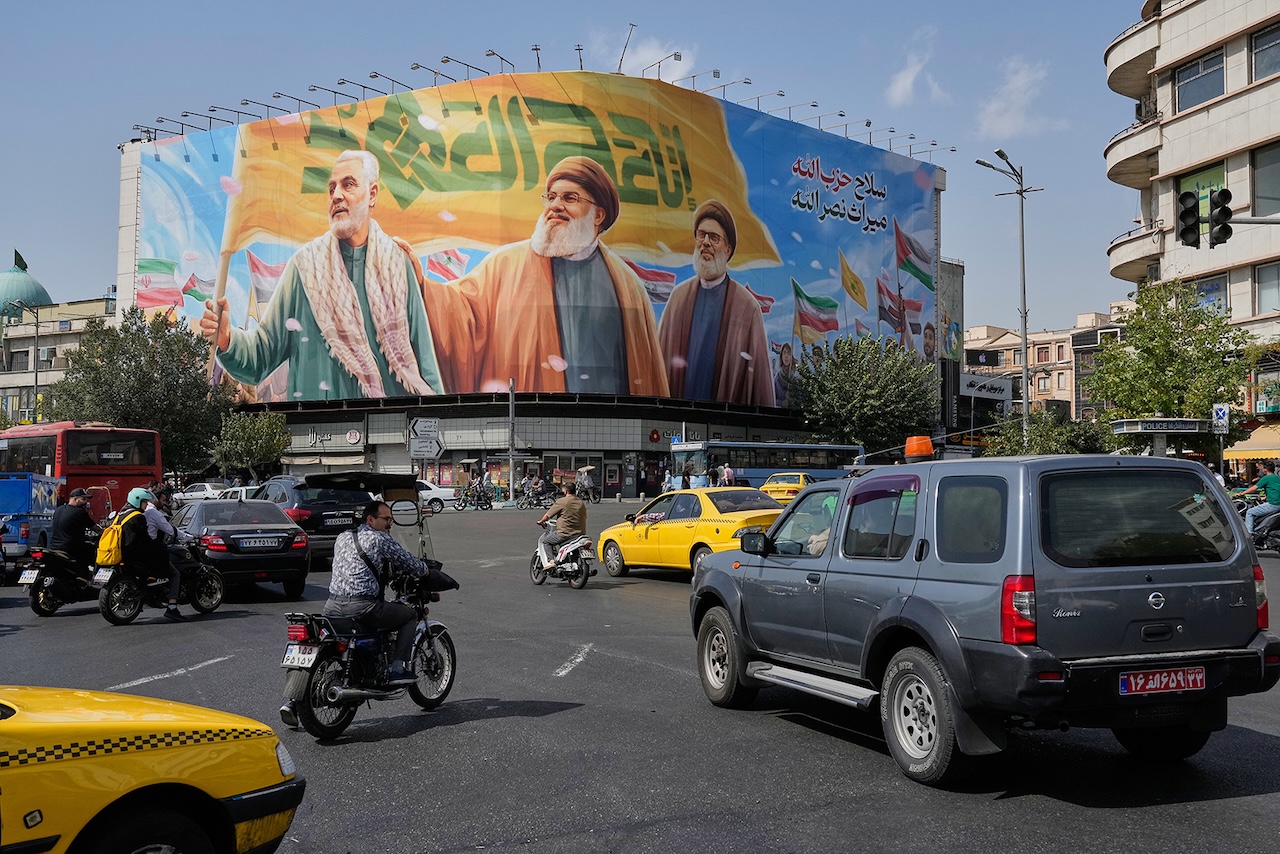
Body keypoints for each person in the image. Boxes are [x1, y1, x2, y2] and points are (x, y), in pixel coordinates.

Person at [411, 156, 669, 397]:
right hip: (525, 422)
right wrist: (416, 282)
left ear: (598, 215)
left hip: (611, 422)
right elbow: (459, 312)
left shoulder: (627, 285)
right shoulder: (505, 265)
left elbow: (647, 375)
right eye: (551, 197)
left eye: (569, 198)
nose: (555, 206)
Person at [200, 149, 443, 402]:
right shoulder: (304, 268)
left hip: (392, 425)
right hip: (317, 425)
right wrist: (227, 339)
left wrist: (442, 416)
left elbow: (426, 370)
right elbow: (260, 358)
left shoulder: (398, 265)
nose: (336, 195)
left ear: (372, 194)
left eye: (348, 184)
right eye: (331, 189)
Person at [657, 201, 774, 406]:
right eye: (701, 235)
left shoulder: (747, 308)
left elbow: (759, 385)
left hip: (724, 420)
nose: (705, 242)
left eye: (714, 238)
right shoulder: (678, 298)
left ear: (728, 250)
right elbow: (658, 369)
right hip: (677, 417)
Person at [323, 500, 443, 686]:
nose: (390, 524)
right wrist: (429, 572)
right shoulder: (379, 539)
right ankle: (398, 669)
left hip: (332, 606)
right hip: (362, 607)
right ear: (370, 520)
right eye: (386, 519)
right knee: (410, 615)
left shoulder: (343, 536)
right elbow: (411, 563)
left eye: (392, 520)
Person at [143, 486, 185, 621]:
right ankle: (172, 607)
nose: (165, 503)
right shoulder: (154, 513)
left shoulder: (139, 512)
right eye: (163, 500)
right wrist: (189, 537)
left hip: (139, 551)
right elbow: (171, 531)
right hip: (153, 552)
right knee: (175, 574)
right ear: (154, 499)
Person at [536, 482, 588, 571]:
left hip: (565, 533)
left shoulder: (562, 501)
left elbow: (548, 515)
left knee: (546, 541)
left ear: (566, 491)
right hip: (580, 533)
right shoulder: (580, 502)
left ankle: (551, 561)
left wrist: (541, 521)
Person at [49, 487, 97, 573]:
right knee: (93, 550)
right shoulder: (80, 512)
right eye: (83, 499)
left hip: (54, 548)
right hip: (71, 549)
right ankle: (87, 576)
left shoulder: (58, 510)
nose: (86, 502)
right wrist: (105, 532)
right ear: (75, 499)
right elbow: (95, 528)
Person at [1241, 460, 1280, 535]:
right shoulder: (1277, 478)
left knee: (1250, 512)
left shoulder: (1266, 478)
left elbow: (1254, 488)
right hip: (1277, 504)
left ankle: (1249, 535)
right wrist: (1264, 497)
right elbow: (1275, 490)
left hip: (1273, 504)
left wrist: (1241, 493)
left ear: (1265, 469)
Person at [773, 342, 796, 408]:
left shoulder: (795, 377)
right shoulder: (777, 377)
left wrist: (792, 401)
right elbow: (772, 399)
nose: (786, 356)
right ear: (781, 356)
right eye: (784, 353)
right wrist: (782, 403)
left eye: (788, 353)